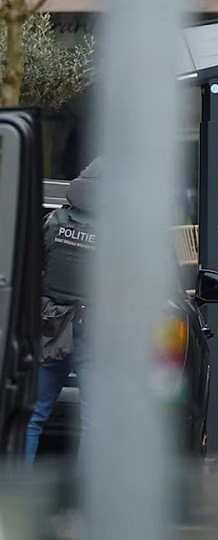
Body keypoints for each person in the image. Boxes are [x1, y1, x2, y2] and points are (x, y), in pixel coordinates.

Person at [26, 158, 103, 467]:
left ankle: (21, 489)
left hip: (51, 324)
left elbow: (33, 269)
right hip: (92, 325)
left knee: (34, 412)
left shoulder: (54, 221)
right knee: (92, 418)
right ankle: (81, 499)